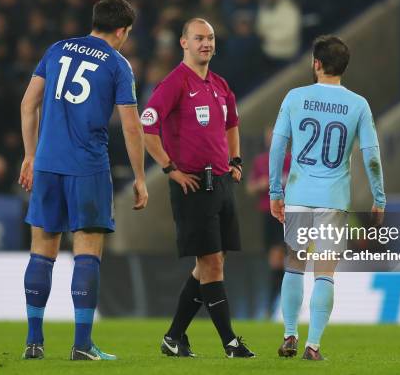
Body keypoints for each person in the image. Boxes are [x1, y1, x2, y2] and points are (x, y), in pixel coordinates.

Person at [18, 0, 148, 361]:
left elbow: (29, 104)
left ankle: (33, 342)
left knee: (41, 251)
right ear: (122, 31)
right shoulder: (118, 64)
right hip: (87, 167)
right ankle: (82, 345)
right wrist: (140, 177)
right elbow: (131, 126)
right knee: (87, 253)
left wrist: (30, 155)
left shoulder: (56, 49)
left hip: (46, 165)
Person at [142, 18, 255, 358]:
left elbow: (232, 123)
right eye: (198, 38)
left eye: (210, 38)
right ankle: (230, 342)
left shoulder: (220, 85)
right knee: (212, 265)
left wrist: (236, 161)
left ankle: (174, 337)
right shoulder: (174, 83)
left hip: (221, 182)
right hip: (193, 184)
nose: (205, 43)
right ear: (183, 43)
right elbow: (148, 126)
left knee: (211, 262)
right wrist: (169, 169)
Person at [269, 35, 386, 360]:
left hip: (297, 195)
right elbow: (371, 156)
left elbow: (278, 147)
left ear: (316, 64)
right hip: (332, 199)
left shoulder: (295, 97)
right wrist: (379, 197)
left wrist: (275, 192)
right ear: (344, 67)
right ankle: (313, 344)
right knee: (324, 272)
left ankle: (289, 334)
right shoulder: (358, 104)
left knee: (294, 265)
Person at [246, 126, 290, 317]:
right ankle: (275, 304)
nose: (272, 140)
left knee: (283, 258)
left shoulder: (292, 160)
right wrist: (259, 185)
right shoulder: (261, 162)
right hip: (269, 215)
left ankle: (277, 304)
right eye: (269, 137)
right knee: (276, 261)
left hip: (290, 214)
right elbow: (249, 188)